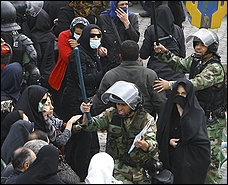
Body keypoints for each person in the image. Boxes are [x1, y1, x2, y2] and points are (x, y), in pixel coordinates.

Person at [153, 28, 226, 184]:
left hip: (211, 121)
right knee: (192, 157)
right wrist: (164, 53)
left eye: (202, 45)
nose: (198, 47)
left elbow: (196, 83)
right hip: (196, 118)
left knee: (209, 161)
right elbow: (179, 64)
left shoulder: (215, 68)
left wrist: (171, 85)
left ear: (211, 47)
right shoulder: (197, 61)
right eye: (196, 44)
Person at [76, 81, 160, 184]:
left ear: (133, 104)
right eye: (117, 104)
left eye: (123, 105)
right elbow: (90, 125)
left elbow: (152, 144)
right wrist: (86, 113)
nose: (119, 108)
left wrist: (143, 144)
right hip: (119, 168)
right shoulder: (111, 114)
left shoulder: (146, 120)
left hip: (141, 170)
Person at [61, 24, 103, 181]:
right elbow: (83, 79)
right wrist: (103, 74)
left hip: (87, 101)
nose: (96, 39)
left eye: (98, 36)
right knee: (81, 141)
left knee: (91, 141)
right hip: (76, 102)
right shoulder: (77, 55)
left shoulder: (93, 53)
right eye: (92, 36)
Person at [92, 40, 167, 118]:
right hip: (143, 121)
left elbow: (98, 103)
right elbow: (160, 102)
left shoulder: (110, 75)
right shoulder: (150, 75)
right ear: (138, 56)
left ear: (120, 56)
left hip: (117, 123)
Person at [156, 78, 211, 183]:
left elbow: (200, 142)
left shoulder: (197, 113)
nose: (180, 97)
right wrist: (168, 141)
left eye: (183, 94)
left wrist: (183, 114)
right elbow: (160, 133)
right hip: (170, 160)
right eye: (177, 93)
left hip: (189, 163)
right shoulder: (168, 110)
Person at [140, 5, 186, 98]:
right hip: (177, 74)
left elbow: (143, 54)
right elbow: (183, 54)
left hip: (157, 75)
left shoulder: (151, 30)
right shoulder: (178, 30)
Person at [48, 17, 90, 119]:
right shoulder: (64, 36)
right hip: (63, 77)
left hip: (82, 78)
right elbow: (67, 57)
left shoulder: (90, 37)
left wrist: (79, 47)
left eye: (82, 34)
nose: (79, 36)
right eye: (77, 33)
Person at [1, 1, 41, 92]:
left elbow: (33, 73)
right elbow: (33, 73)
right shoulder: (23, 40)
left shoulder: (22, 41)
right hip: (15, 90)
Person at [97, 1, 140, 72]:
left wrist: (126, 23)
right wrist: (100, 47)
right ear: (115, 5)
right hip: (108, 60)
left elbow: (135, 39)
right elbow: (98, 36)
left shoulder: (132, 17)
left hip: (125, 61)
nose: (125, 7)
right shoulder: (104, 18)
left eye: (126, 4)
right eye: (121, 5)